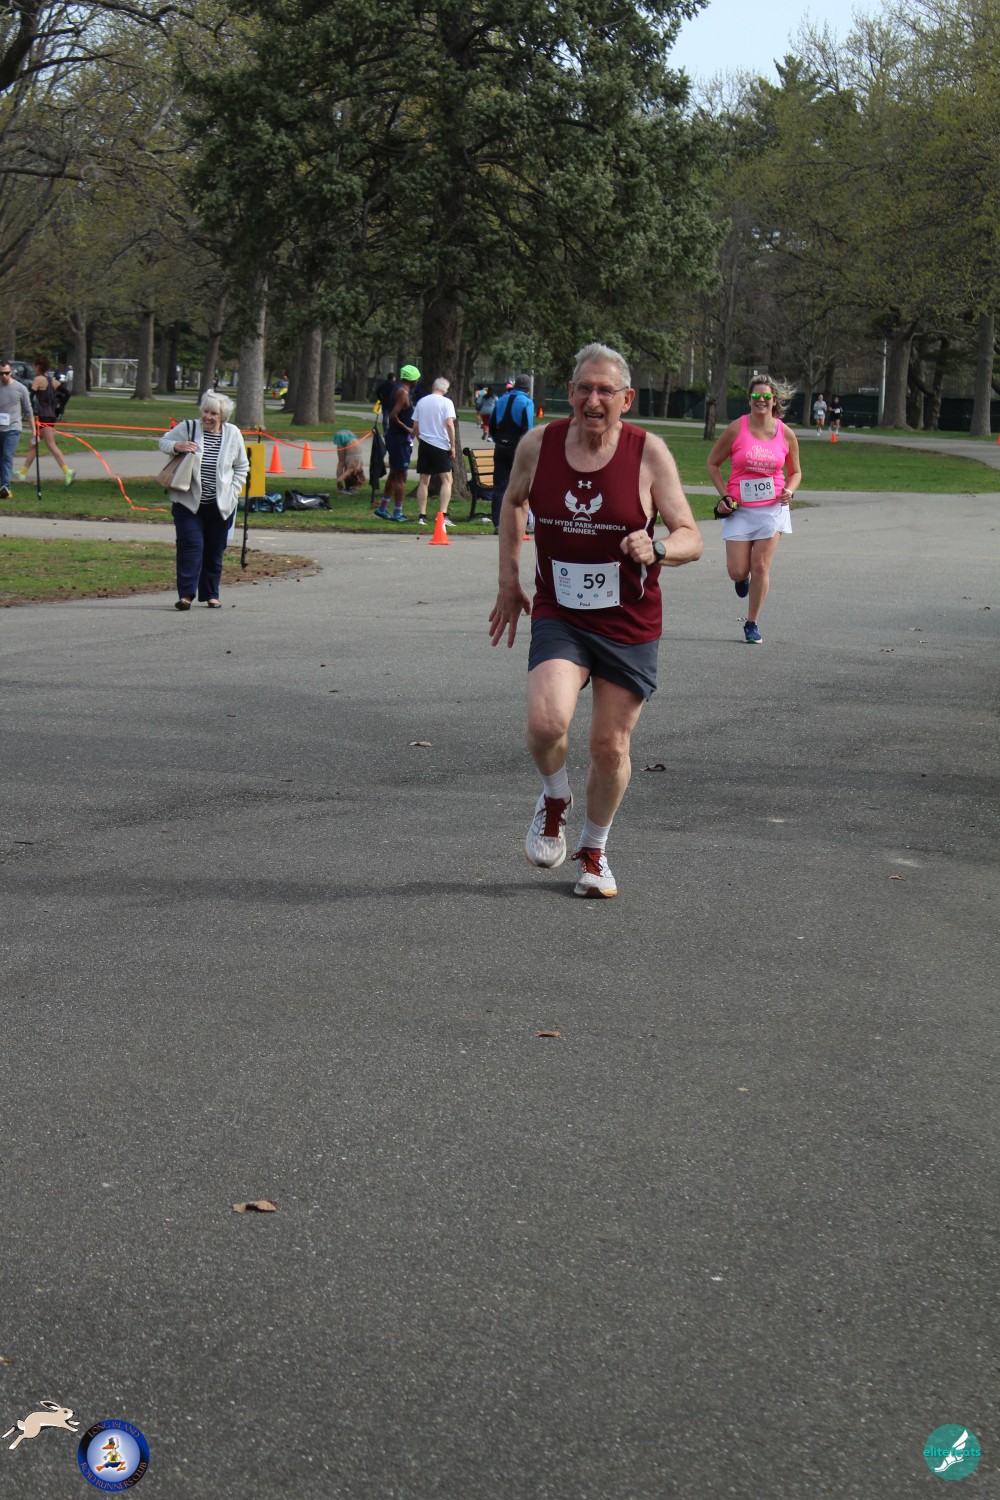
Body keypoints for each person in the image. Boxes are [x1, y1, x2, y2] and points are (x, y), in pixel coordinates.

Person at [488, 341, 703, 899]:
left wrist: (658, 547)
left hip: (628, 620)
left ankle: (594, 849)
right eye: (584, 388)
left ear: (626, 399)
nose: (593, 400)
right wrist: (510, 580)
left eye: (606, 390)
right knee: (546, 724)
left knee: (610, 746)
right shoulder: (540, 444)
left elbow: (691, 535)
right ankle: (554, 797)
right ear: (570, 392)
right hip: (560, 610)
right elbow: (513, 502)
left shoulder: (647, 453)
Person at [705, 373, 801, 645]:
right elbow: (712, 464)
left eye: (766, 396)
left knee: (760, 565)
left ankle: (752, 623)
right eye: (756, 396)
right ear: (749, 399)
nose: (761, 400)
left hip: (772, 510)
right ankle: (741, 579)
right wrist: (724, 496)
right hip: (739, 509)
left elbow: (796, 472)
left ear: (774, 400)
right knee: (737, 571)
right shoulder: (737, 428)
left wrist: (790, 490)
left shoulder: (786, 433)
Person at [157, 391, 249, 610]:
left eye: (213, 413)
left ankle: (211, 594)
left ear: (223, 416)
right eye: (205, 411)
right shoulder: (188, 427)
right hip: (188, 503)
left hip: (220, 506)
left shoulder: (233, 433)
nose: (208, 417)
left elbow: (241, 466)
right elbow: (163, 441)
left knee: (214, 550)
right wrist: (177, 446)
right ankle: (186, 595)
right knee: (191, 546)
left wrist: (233, 491)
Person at [489, 374, 534, 533]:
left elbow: (492, 425)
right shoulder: (527, 402)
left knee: (499, 486)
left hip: (501, 446)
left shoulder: (501, 400)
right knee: (521, 485)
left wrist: (498, 440)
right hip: (517, 448)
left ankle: (498, 523)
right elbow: (528, 428)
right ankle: (521, 522)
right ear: (528, 389)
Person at [18, 357, 74, 485]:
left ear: (38, 366)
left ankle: (67, 471)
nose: (34, 368)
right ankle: (22, 472)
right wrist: (60, 408)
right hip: (51, 415)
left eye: (34, 366)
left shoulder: (38, 380)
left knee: (50, 444)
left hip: (43, 417)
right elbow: (67, 393)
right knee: (33, 443)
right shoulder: (53, 381)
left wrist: (28, 411)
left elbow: (31, 397)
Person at [376, 364, 419, 521]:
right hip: (399, 439)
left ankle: (382, 507)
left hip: (396, 437)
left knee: (394, 474)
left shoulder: (398, 389)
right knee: (401, 476)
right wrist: (408, 429)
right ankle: (397, 512)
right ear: (412, 380)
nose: (417, 382)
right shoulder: (403, 392)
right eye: (417, 379)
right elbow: (393, 416)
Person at [413, 377, 457, 528]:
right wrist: (452, 446)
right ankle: (442, 515)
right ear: (445, 390)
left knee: (424, 480)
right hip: (440, 444)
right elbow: (449, 424)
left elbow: (415, 426)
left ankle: (422, 515)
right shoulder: (446, 403)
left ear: (433, 386)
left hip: (425, 443)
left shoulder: (421, 402)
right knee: (447, 480)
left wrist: (421, 439)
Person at [0, 359, 34, 498]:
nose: (3, 376)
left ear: (11, 372)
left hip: (13, 429)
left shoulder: (20, 388)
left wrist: (34, 432)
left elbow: (28, 410)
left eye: (6, 373)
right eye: (1, 373)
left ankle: (5, 487)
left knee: (7, 456)